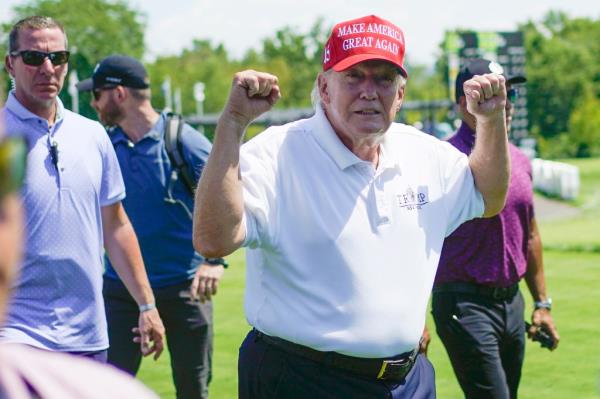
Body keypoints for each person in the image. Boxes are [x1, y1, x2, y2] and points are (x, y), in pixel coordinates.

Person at [193, 14, 511, 398]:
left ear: (401, 94)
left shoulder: (426, 154)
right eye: (353, 76)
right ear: (324, 88)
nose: (369, 91)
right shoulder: (276, 154)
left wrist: (491, 122)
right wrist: (233, 122)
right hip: (301, 379)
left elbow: (488, 198)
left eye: (383, 79)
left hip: (407, 380)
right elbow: (213, 239)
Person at [0, 16, 164, 363]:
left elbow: (115, 226)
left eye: (58, 58)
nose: (48, 68)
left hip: (88, 335)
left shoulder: (92, 135)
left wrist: (147, 304)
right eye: (33, 58)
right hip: (14, 335)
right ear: (10, 63)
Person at [77, 55, 225, 399]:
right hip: (120, 290)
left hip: (185, 291)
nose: (92, 103)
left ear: (118, 94)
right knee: (104, 389)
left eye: (96, 94)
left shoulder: (184, 143)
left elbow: (232, 202)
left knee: (193, 389)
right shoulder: (101, 147)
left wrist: (214, 261)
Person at [430, 58, 560, 399]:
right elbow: (416, 242)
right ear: (463, 103)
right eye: (490, 93)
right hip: (463, 303)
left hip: (511, 303)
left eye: (508, 92)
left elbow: (529, 234)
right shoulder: (441, 160)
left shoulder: (519, 160)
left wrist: (542, 304)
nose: (504, 103)